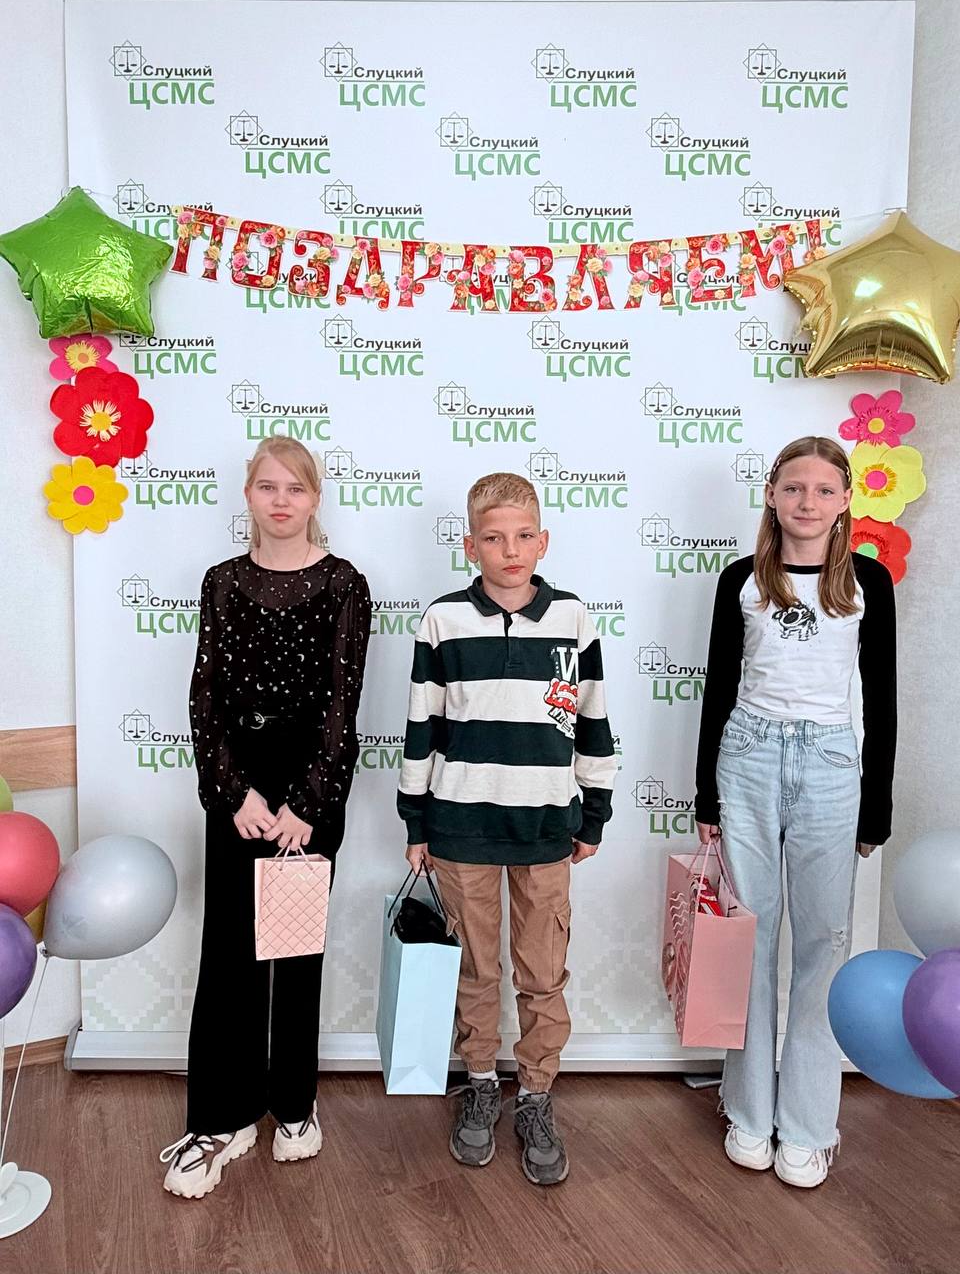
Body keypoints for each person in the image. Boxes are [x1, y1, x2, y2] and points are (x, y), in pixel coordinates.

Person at [160, 436, 371, 1199]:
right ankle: (223, 1118)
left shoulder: (344, 584)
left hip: (308, 795)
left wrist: (307, 805)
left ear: (315, 498)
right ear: (248, 494)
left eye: (295, 488)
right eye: (267, 486)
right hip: (239, 791)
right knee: (229, 953)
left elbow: (343, 706)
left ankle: (294, 1109)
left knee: (292, 951)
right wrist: (234, 793)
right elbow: (204, 698)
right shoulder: (221, 582)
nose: (281, 501)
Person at [397, 472, 617, 1186]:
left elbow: (593, 719)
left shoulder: (574, 619)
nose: (510, 550)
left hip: (547, 826)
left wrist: (595, 810)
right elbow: (422, 725)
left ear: (543, 541)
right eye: (493, 538)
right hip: (460, 827)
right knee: (475, 968)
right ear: (471, 546)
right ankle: (481, 1084)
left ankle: (537, 1095)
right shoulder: (442, 621)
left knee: (542, 972)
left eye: (523, 536)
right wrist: (415, 819)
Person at [694, 435, 896, 1189]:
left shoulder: (868, 582)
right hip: (748, 755)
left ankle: (809, 1125)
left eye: (823, 490)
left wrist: (875, 806)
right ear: (772, 495)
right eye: (793, 488)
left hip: (832, 766)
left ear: (845, 501)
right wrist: (706, 795)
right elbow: (718, 687)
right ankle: (749, 1110)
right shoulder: (742, 580)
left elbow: (883, 695)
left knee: (822, 943)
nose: (807, 502)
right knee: (750, 937)